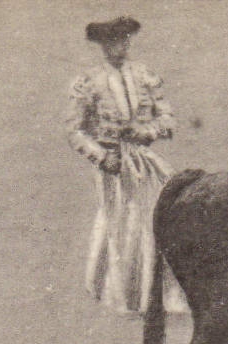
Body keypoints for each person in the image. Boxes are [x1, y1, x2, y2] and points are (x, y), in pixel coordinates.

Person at [65, 16, 186, 314]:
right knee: (121, 222)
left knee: (154, 220)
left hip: (144, 161)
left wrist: (147, 132)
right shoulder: (88, 82)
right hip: (113, 165)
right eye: (110, 42)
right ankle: (124, 296)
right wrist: (102, 156)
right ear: (102, 46)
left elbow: (168, 119)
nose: (117, 47)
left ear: (128, 42)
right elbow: (74, 131)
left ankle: (158, 296)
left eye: (122, 41)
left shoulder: (145, 76)